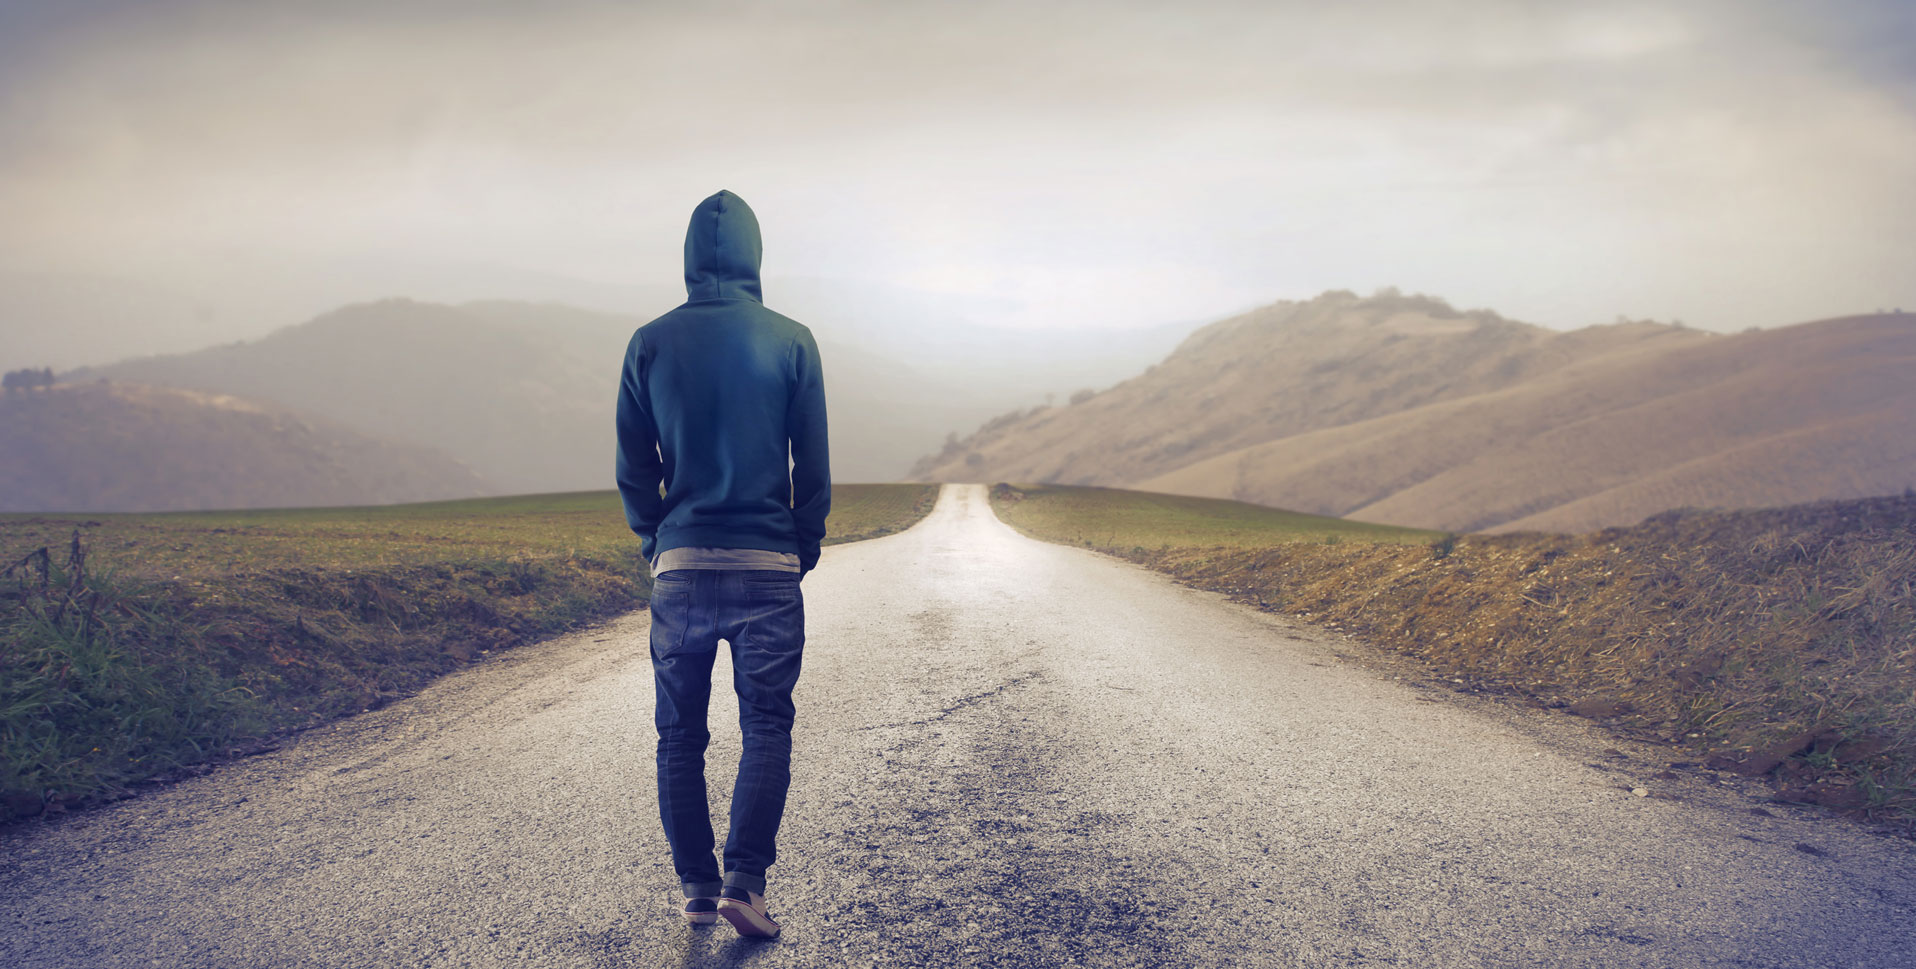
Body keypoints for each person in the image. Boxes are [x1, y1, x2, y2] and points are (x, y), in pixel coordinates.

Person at [614, 189, 830, 938]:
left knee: (679, 733)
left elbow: (633, 468)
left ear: (687, 258)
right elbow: (814, 465)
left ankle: (699, 889)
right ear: (754, 253)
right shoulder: (793, 339)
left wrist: (657, 540)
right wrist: (801, 544)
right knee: (766, 723)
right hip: (769, 560)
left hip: (681, 566)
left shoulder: (648, 341)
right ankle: (746, 882)